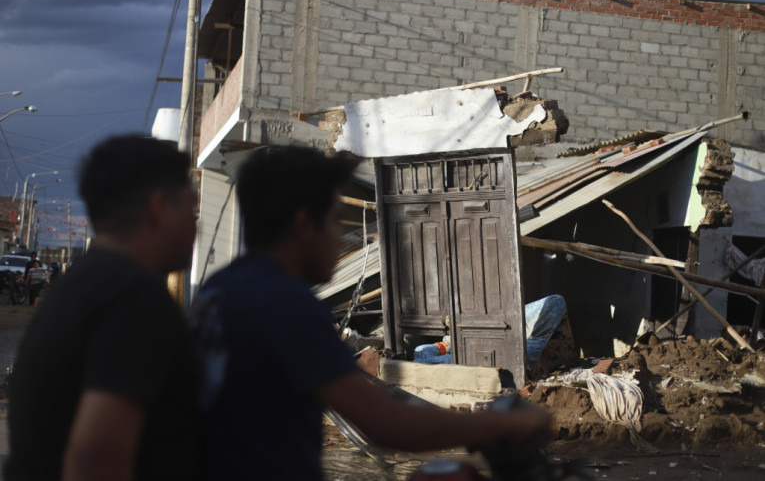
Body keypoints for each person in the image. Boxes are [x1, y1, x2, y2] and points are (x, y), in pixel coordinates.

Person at [191, 145, 551, 481]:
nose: (342, 238)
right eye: (335, 221)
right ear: (303, 224)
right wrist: (503, 424)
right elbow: (385, 425)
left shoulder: (219, 290)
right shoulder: (283, 302)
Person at [5, 135, 200, 481]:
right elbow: (95, 460)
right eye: (191, 206)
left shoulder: (82, 284)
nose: (196, 223)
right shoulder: (133, 301)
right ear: (159, 207)